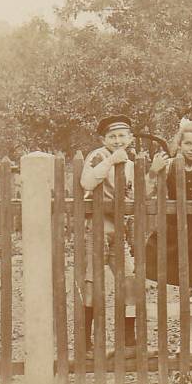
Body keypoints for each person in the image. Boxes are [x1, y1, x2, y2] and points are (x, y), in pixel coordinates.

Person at [80, 114, 138, 359]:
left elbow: (132, 193)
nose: (117, 140)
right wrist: (112, 160)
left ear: (130, 138)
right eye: (112, 136)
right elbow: (87, 182)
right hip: (97, 226)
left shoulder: (131, 163)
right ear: (103, 139)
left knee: (129, 280)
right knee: (93, 281)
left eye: (122, 136)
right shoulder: (98, 156)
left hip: (119, 227)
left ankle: (128, 342)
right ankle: (86, 345)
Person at [144, 118, 192, 292]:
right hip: (175, 226)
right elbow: (145, 194)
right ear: (180, 144)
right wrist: (153, 171)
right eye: (187, 143)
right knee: (172, 271)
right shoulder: (170, 165)